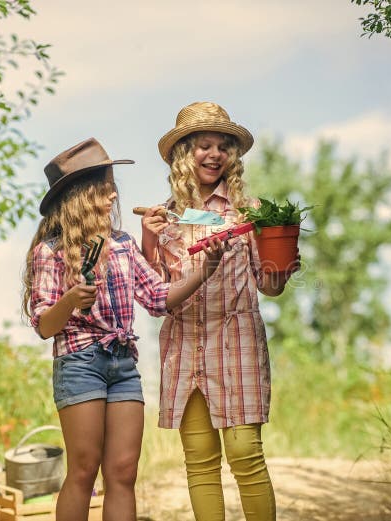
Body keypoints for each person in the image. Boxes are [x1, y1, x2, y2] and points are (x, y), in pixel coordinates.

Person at [22, 137, 227, 521]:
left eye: (112, 186)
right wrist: (70, 301)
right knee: (83, 472)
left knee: (123, 473)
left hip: (122, 365)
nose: (113, 195)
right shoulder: (50, 252)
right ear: (81, 196)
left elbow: (157, 298)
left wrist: (205, 271)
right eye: (104, 188)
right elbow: (44, 326)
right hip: (79, 363)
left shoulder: (121, 244)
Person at [140, 102, 298, 521]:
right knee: (201, 458)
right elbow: (153, 293)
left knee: (246, 453)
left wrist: (280, 272)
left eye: (222, 147)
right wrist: (147, 239)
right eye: (203, 146)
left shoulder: (250, 211)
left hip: (237, 335)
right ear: (183, 155)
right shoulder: (165, 216)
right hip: (185, 341)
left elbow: (269, 286)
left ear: (232, 156)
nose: (214, 155)